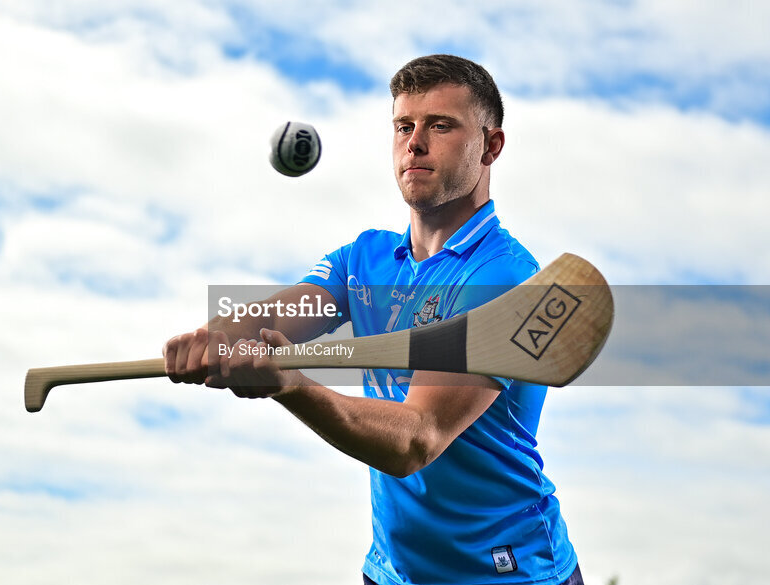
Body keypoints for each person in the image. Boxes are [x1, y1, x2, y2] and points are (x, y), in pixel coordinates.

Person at [163, 55, 584, 585]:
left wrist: (290, 385)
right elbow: (276, 317)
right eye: (404, 126)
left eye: (441, 125)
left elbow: (416, 438)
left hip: (507, 574)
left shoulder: (502, 278)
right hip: (393, 574)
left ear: (491, 146)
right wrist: (211, 340)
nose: (415, 143)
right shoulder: (364, 260)